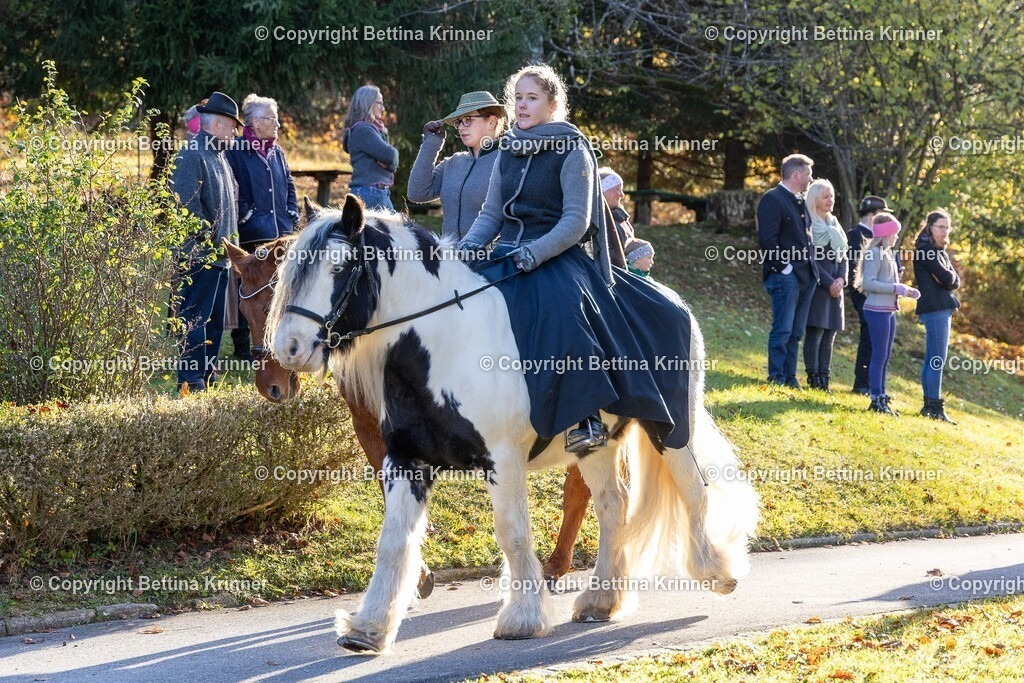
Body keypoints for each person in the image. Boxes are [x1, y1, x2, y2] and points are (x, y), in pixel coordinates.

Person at [458, 64, 693, 453]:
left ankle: (587, 418)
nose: (522, 105)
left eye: (532, 98)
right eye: (518, 98)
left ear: (552, 105)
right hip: (506, 253)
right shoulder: (506, 149)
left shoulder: (571, 148)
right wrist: (465, 249)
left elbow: (575, 221)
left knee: (563, 311)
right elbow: (491, 215)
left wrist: (535, 252)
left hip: (557, 256)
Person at [169, 91, 241, 392]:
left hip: (220, 258)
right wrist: (212, 240)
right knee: (194, 320)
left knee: (214, 323)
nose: (236, 133)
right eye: (232, 126)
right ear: (217, 124)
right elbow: (185, 208)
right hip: (199, 256)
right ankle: (191, 380)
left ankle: (206, 377)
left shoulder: (220, 156)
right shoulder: (191, 154)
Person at [225, 93, 299, 361]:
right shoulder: (235, 151)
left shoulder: (277, 151)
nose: (277, 124)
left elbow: (289, 184)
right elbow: (233, 188)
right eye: (272, 118)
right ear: (254, 122)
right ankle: (242, 347)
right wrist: (247, 215)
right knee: (247, 290)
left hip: (280, 233)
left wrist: (292, 212)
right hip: (252, 235)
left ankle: (276, 341)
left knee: (278, 291)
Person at [757, 153, 819, 388]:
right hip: (785, 276)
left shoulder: (799, 201)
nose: (811, 179)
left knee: (795, 331)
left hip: (806, 275)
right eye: (808, 174)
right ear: (796, 174)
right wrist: (785, 267)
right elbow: (767, 239)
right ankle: (777, 377)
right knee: (783, 329)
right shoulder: (772, 199)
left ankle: (790, 378)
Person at [408, 91, 504, 240]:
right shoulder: (452, 163)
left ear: (491, 122)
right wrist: (431, 143)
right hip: (448, 254)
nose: (461, 127)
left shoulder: (507, 161)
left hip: (490, 254)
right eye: (459, 122)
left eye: (468, 120)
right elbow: (417, 193)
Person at [854, 213, 920, 415]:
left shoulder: (888, 253)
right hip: (876, 310)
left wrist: (906, 290)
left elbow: (890, 282)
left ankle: (882, 394)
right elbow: (869, 283)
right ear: (885, 233)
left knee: (885, 355)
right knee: (879, 355)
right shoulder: (874, 253)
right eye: (894, 233)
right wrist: (896, 288)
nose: (897, 237)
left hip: (888, 311)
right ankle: (876, 398)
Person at [913, 209, 960, 423]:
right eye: (940, 227)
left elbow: (953, 280)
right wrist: (949, 279)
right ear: (930, 227)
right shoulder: (926, 250)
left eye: (947, 227)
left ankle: (929, 406)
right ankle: (934, 407)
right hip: (934, 308)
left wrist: (949, 278)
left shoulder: (938, 250)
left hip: (941, 307)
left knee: (933, 358)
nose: (944, 231)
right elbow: (948, 278)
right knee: (936, 360)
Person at [803, 179, 848, 392]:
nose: (831, 200)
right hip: (818, 287)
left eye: (832, 196)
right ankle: (813, 378)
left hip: (836, 288)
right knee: (816, 332)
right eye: (826, 196)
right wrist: (829, 282)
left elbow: (844, 256)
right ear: (815, 199)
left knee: (830, 334)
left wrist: (841, 279)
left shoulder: (834, 225)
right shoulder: (809, 225)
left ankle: (824, 379)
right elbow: (811, 260)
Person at [847, 195, 890, 394]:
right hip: (865, 294)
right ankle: (862, 382)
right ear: (873, 216)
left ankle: (872, 383)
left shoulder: (881, 239)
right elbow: (854, 268)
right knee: (869, 336)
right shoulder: (856, 235)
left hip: (880, 294)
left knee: (876, 338)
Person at [342, 85, 398, 211]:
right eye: (380, 103)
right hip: (371, 193)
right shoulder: (363, 130)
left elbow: (389, 159)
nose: (383, 108)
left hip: (374, 192)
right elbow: (390, 155)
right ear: (368, 103)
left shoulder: (368, 129)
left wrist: (389, 163)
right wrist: (391, 162)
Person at [599, 167, 635, 244]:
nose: (622, 195)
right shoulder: (597, 220)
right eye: (618, 189)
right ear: (603, 191)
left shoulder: (620, 216)